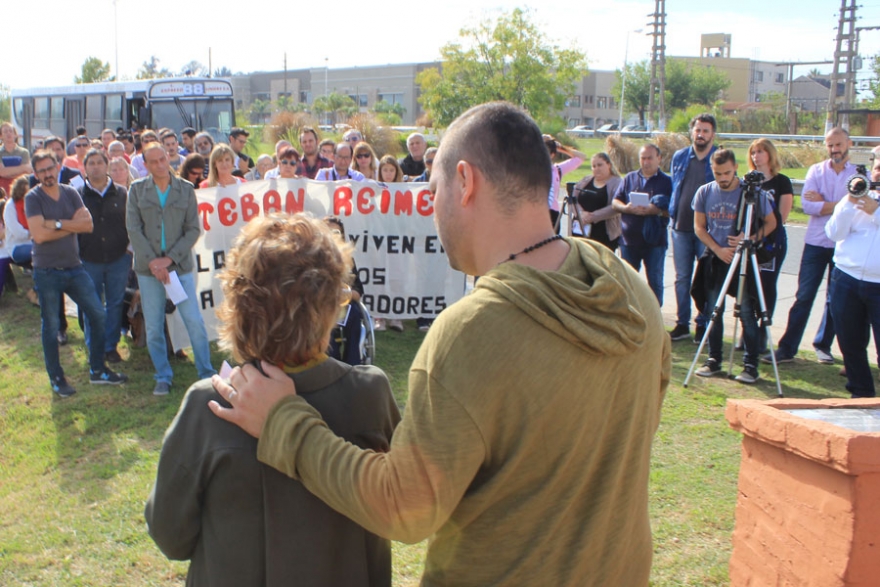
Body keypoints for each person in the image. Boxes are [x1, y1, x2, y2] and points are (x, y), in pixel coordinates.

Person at [209, 101, 671, 586]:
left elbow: (404, 507)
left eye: (433, 192)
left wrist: (283, 421)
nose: (431, 211)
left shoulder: (471, 332)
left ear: (466, 182)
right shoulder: (630, 288)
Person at [145, 213, 400, 587]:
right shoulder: (368, 394)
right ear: (331, 304)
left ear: (238, 304)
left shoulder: (209, 407)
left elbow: (171, 535)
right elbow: (400, 508)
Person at [25, 150, 127, 397]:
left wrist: (55, 223)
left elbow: (88, 225)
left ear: (58, 166)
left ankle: (97, 369)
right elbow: (39, 235)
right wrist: (69, 225)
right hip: (46, 270)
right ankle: (57, 378)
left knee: (98, 314)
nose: (48, 174)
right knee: (50, 326)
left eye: (51, 168)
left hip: (74, 267)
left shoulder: (70, 192)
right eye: (42, 171)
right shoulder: (33, 198)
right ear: (36, 174)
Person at [127, 143, 216, 396]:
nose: (160, 164)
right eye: (153, 161)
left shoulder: (185, 190)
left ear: (169, 158)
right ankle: (163, 376)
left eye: (162, 159)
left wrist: (168, 260)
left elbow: (193, 230)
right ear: (145, 165)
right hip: (148, 271)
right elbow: (134, 229)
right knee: (154, 325)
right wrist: (154, 262)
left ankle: (206, 373)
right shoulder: (136, 191)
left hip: (179, 268)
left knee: (194, 321)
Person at [764, 127, 857, 366]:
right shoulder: (816, 171)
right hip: (816, 243)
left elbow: (856, 210)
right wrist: (844, 203)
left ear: (849, 144)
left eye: (838, 145)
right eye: (830, 145)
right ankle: (787, 349)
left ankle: (823, 345)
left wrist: (827, 203)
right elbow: (808, 207)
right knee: (804, 296)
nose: (834, 150)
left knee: (834, 299)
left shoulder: (857, 175)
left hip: (844, 245)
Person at [693, 149, 776, 383]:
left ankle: (750, 365)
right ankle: (714, 360)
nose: (723, 178)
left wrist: (749, 239)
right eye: (718, 173)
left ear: (736, 168)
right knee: (712, 310)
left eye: (727, 172)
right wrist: (718, 249)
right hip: (715, 257)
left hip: (744, 258)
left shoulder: (751, 194)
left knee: (747, 313)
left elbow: (771, 223)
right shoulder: (705, 192)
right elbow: (699, 227)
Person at [825, 156, 880, 398]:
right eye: (878, 168)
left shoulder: (873, 205)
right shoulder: (860, 195)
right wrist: (849, 201)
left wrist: (876, 212)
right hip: (846, 279)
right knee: (850, 341)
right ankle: (861, 393)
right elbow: (834, 233)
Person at [78, 149, 131, 365]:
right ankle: (95, 347)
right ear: (85, 167)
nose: (96, 166)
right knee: (92, 305)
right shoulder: (77, 195)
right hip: (89, 259)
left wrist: (129, 248)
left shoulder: (121, 193)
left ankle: (110, 346)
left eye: (100, 162)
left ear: (106, 165)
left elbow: (132, 223)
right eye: (91, 163)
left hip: (119, 258)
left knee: (115, 303)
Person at [668, 113, 718, 342]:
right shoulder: (679, 157)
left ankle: (703, 324)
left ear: (713, 134)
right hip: (680, 227)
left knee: (706, 279)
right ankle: (682, 324)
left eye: (706, 131)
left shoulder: (719, 158)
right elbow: (674, 187)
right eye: (698, 130)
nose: (701, 134)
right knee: (682, 278)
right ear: (692, 132)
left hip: (707, 231)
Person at [740, 138, 792, 353]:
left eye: (760, 152)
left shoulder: (781, 182)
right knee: (748, 287)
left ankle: (762, 333)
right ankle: (747, 333)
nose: (756, 156)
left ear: (770, 154)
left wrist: (760, 235)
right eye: (753, 152)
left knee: (767, 287)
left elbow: (782, 216)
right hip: (750, 240)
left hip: (771, 244)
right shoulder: (748, 182)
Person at [611, 144, 671, 305]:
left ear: (659, 158)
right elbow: (615, 202)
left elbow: (674, 210)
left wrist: (655, 210)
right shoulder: (630, 178)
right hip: (629, 241)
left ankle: (655, 318)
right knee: (628, 281)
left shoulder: (667, 182)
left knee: (655, 281)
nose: (646, 162)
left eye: (650, 158)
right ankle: (629, 316)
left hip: (655, 242)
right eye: (643, 158)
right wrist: (626, 208)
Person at [570, 152, 621, 250]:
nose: (596, 168)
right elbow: (573, 198)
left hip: (604, 234)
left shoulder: (617, 182)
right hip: (581, 230)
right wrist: (580, 214)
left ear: (609, 165)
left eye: (600, 165)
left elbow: (616, 206)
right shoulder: (586, 180)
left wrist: (592, 217)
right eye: (593, 166)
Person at [544, 134, 586, 231]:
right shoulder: (529, 168)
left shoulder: (557, 170)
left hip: (552, 214)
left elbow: (581, 157)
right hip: (534, 214)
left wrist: (560, 148)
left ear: (552, 155)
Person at [1, 121, 33, 196]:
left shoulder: (24, 152)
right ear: (1, 136)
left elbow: (27, 171)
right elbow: (2, 172)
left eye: (11, 131)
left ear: (15, 135)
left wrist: (7, 171)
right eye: (5, 131)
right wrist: (22, 167)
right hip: (2, 190)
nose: (8, 133)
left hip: (20, 189)